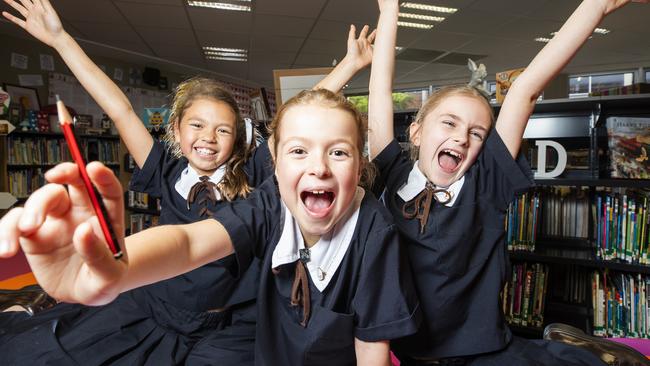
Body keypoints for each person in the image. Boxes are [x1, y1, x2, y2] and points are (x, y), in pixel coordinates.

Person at [0, 87, 420, 365]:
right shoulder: (270, 201)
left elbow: (372, 343)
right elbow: (187, 242)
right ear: (274, 162)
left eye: (339, 153)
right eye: (299, 150)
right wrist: (119, 266)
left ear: (360, 163)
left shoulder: (374, 232)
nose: (319, 168)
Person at [367, 0, 649, 365]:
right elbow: (378, 95)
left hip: (481, 353)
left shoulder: (485, 184)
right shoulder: (391, 174)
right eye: (449, 123)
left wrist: (596, 6)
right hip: (411, 353)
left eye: (477, 133)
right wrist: (390, 11)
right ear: (417, 132)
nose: (461, 138)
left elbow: (525, 90)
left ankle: (593, 352)